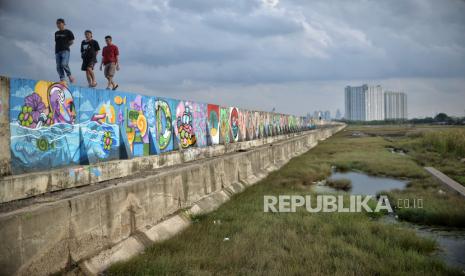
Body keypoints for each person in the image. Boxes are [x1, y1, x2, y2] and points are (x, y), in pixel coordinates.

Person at [55, 18, 75, 83]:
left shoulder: (68, 32)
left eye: (59, 23)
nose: (58, 25)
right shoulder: (56, 33)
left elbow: (71, 41)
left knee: (63, 64)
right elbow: (57, 42)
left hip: (65, 50)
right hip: (57, 51)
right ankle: (62, 79)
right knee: (58, 66)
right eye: (57, 24)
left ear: (63, 24)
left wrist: (66, 46)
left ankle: (70, 76)